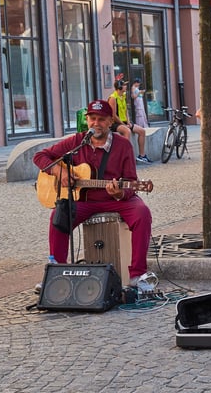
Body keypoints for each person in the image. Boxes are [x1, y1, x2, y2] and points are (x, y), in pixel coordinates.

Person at [33, 99, 153, 287]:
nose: (96, 123)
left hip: (115, 199)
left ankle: (137, 274)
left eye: (101, 119)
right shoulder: (76, 141)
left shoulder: (123, 145)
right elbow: (40, 157)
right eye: (92, 118)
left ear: (110, 122)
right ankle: (56, 273)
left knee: (142, 213)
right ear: (87, 120)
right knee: (58, 215)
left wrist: (120, 193)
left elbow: (130, 180)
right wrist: (60, 171)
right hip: (84, 200)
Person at [108, 80, 152, 164]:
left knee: (142, 131)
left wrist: (128, 122)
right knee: (127, 131)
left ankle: (142, 155)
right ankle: (125, 157)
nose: (126, 87)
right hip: (115, 123)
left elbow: (125, 111)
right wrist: (123, 124)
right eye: (124, 85)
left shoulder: (123, 96)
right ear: (120, 87)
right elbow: (113, 115)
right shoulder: (113, 98)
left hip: (124, 122)